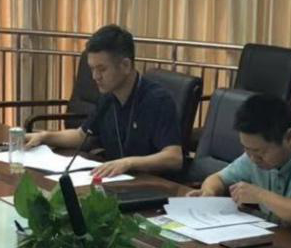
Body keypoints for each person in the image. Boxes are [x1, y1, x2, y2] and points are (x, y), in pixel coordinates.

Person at [24, 25, 183, 177]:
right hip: (116, 180)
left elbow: (174, 157)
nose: (95, 77)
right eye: (92, 69)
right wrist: (45, 137)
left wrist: (129, 163)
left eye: (102, 69)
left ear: (125, 65)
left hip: (151, 184)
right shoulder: (108, 97)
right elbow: (81, 135)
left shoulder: (157, 100)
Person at [189, 94, 291, 233]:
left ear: (289, 137)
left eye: (259, 152)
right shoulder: (254, 155)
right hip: (280, 243)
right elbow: (217, 179)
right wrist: (209, 192)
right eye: (247, 149)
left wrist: (260, 196)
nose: (252, 159)